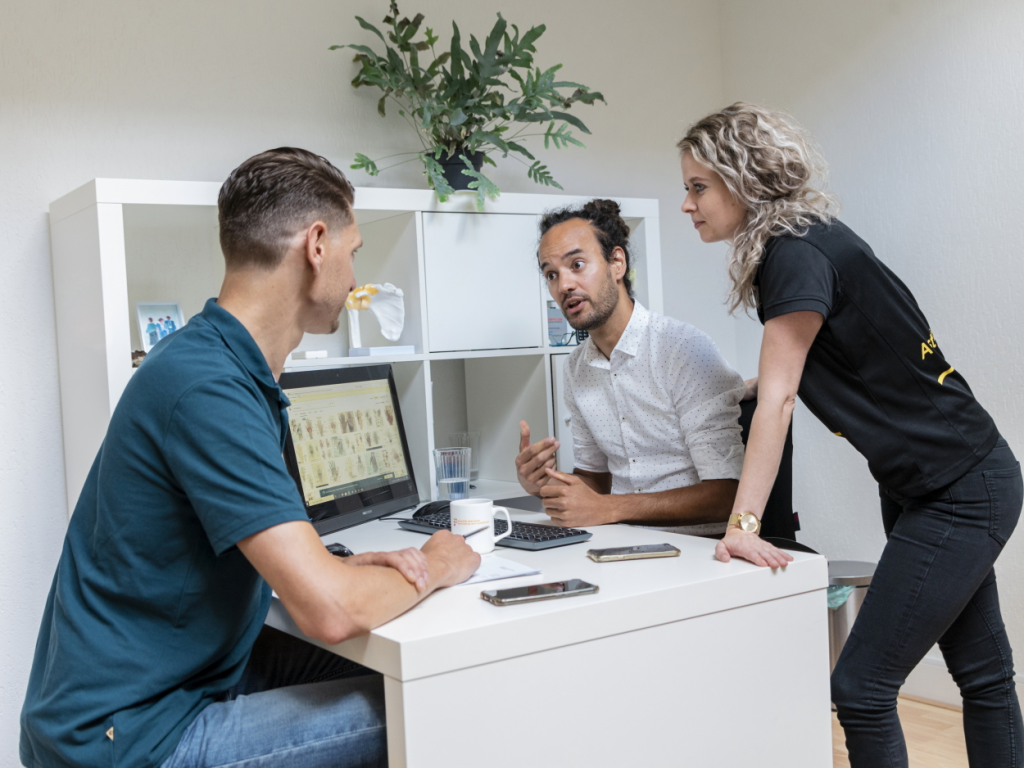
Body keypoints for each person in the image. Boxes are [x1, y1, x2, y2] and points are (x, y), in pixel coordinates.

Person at [20, 148, 480, 768]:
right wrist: (436, 562)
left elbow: (261, 554)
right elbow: (329, 610)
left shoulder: (222, 365)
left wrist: (332, 564)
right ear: (317, 244)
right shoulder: (206, 387)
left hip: (182, 683)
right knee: (425, 704)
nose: (352, 274)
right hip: (126, 737)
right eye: (355, 250)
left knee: (419, 675)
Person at [678, 103, 1023, 767]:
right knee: (984, 678)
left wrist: (742, 523)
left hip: (960, 490)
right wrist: (766, 387)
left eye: (698, 187)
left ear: (742, 180)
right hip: (942, 482)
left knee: (861, 687)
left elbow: (779, 398)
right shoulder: (806, 239)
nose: (687, 204)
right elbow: (815, 363)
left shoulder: (793, 255)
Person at [515, 199, 746, 533]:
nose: (563, 285)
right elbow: (593, 480)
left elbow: (728, 495)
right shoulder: (576, 368)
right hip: (618, 544)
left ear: (617, 263)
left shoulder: (684, 349)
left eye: (577, 264)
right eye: (551, 274)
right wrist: (544, 485)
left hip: (699, 550)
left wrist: (609, 508)